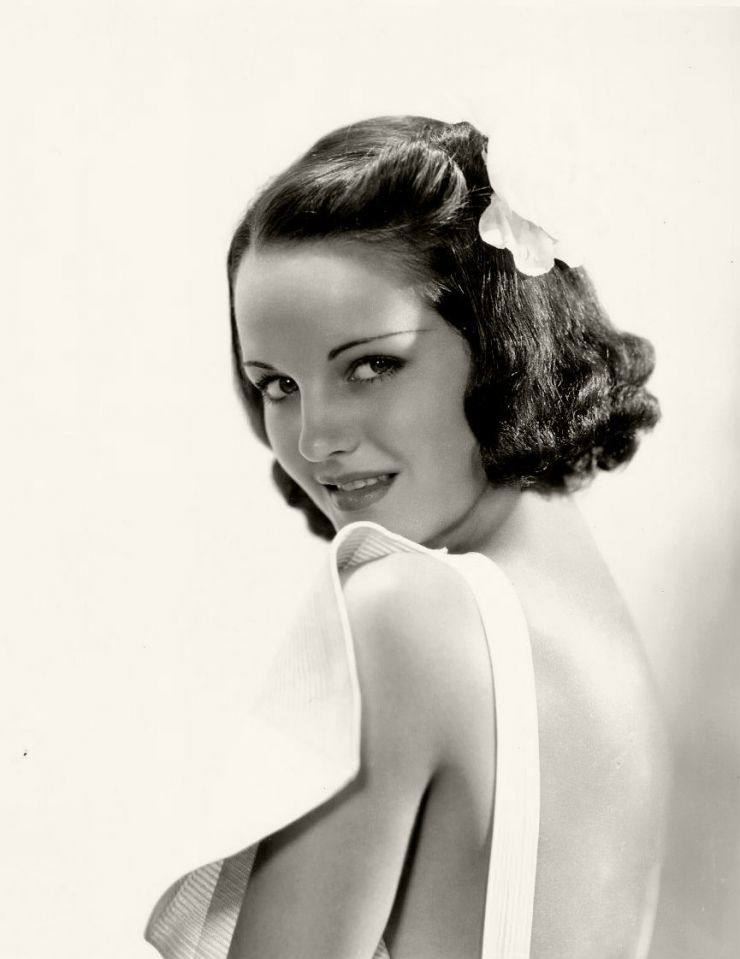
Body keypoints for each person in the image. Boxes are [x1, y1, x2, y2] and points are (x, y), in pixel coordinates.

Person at [144, 116, 670, 959]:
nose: (315, 438)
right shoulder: (592, 621)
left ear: (500, 343)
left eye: (371, 365)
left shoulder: (405, 612)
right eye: (276, 384)